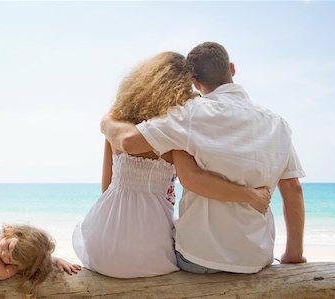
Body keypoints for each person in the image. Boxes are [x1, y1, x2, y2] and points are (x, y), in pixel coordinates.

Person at [101, 42, 306, 274]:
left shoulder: (190, 113)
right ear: (232, 69)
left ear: (195, 82)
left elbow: (129, 142)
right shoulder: (277, 124)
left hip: (199, 258)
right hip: (256, 257)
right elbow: (293, 189)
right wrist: (294, 253)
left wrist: (106, 122)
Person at [73, 51, 272, 279]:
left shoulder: (115, 125)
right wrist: (250, 195)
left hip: (102, 244)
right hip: (148, 253)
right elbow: (192, 178)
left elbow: (106, 187)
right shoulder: (175, 133)